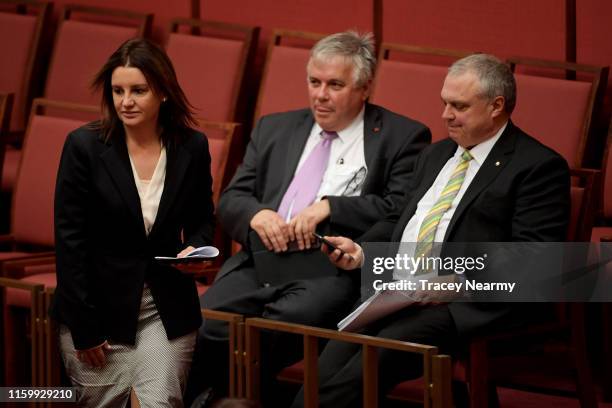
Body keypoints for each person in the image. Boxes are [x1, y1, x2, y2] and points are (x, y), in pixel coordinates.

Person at [290, 53, 571, 407]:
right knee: (326, 367)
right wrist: (362, 252)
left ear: (496, 106)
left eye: (459, 106)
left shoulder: (537, 167)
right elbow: (401, 221)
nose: (446, 115)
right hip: (401, 292)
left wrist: (456, 280)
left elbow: (535, 258)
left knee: (363, 370)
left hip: (467, 301)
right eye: (445, 103)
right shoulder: (436, 155)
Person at [188, 31, 431, 403]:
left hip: (328, 269)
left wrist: (332, 206)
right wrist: (257, 215)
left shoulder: (401, 137)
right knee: (204, 323)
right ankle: (219, 397)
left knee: (273, 328)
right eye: (314, 82)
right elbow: (232, 198)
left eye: (335, 85)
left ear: (365, 87)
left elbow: (401, 208)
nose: (320, 94)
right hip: (262, 260)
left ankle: (225, 399)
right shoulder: (275, 128)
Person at [51, 38, 216, 407]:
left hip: (164, 308)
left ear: (163, 92)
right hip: (97, 311)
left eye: (138, 91)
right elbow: (69, 241)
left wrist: (198, 248)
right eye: (118, 91)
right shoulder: (83, 146)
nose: (125, 101)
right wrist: (84, 328)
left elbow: (202, 218)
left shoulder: (192, 146)